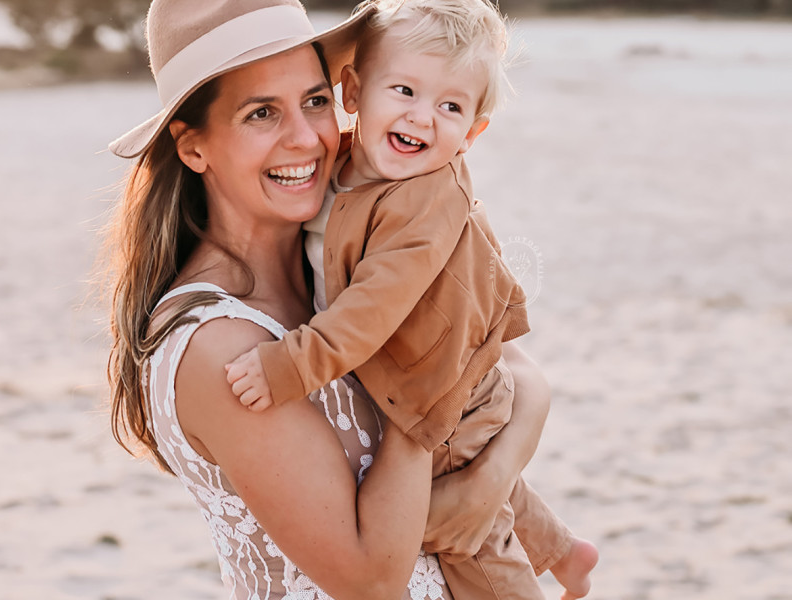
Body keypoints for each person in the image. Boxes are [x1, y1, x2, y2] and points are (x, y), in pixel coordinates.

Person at [105, 0, 553, 598]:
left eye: (315, 101)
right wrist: (422, 401)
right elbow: (372, 581)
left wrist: (488, 482)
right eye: (261, 112)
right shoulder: (220, 346)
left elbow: (519, 373)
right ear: (193, 148)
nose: (307, 138)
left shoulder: (346, 252)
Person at [223, 1, 598, 599]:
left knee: (471, 540)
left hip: (443, 382)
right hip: (442, 369)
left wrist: (292, 365)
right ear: (353, 92)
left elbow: (373, 307)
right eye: (404, 91)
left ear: (472, 134)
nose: (422, 118)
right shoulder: (345, 160)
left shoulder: (424, 201)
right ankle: (565, 552)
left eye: (450, 107)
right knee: (479, 474)